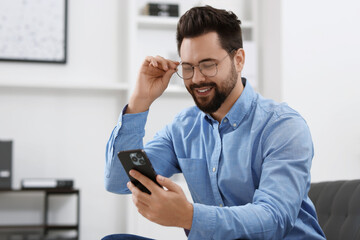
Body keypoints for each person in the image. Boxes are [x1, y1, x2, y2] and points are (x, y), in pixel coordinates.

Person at [104, 5, 326, 240]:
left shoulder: (283, 127)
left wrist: (189, 216)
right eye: (188, 68)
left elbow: (273, 220)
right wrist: (139, 102)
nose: (197, 78)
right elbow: (118, 181)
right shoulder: (184, 128)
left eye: (208, 65)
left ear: (238, 60)